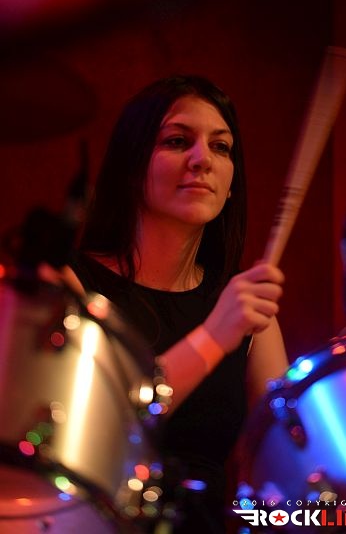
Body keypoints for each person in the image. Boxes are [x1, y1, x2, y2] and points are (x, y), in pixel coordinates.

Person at [70, 75, 288, 533]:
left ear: (231, 184)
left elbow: (285, 463)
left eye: (221, 147)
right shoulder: (73, 287)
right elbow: (94, 431)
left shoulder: (246, 310)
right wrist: (213, 336)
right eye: (177, 141)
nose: (202, 159)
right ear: (132, 167)